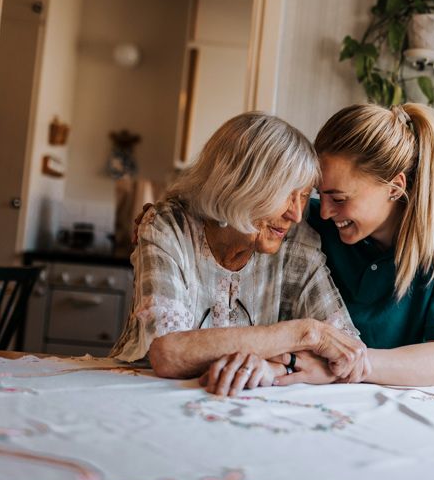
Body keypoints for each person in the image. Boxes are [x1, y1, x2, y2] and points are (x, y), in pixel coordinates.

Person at [110, 112, 370, 396]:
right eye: (285, 193)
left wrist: (275, 367)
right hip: (148, 398)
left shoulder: (297, 242)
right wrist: (305, 333)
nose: (296, 214)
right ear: (239, 184)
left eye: (304, 196)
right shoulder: (168, 226)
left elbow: (348, 352)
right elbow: (168, 353)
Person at [275, 102, 434, 388]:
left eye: (339, 199)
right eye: (320, 194)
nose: (325, 211)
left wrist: (343, 365)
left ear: (395, 187)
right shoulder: (310, 223)